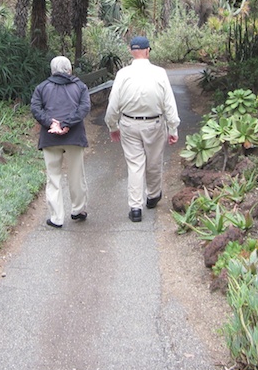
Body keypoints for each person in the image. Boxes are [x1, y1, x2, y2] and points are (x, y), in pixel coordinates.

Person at [105, 36, 180, 222]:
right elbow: (169, 103)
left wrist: (112, 125)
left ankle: (135, 207)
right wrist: (173, 128)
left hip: (129, 124)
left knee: (135, 165)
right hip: (154, 123)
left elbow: (113, 104)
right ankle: (153, 195)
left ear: (131, 51)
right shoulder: (160, 73)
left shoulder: (123, 74)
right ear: (148, 51)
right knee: (154, 161)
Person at [30, 56, 91, 228]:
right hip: (74, 136)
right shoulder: (80, 86)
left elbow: (35, 108)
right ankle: (78, 210)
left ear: (52, 70)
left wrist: (52, 123)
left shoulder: (42, 87)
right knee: (76, 175)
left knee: (53, 177)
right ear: (69, 69)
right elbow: (84, 108)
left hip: (50, 138)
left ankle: (56, 218)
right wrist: (66, 125)